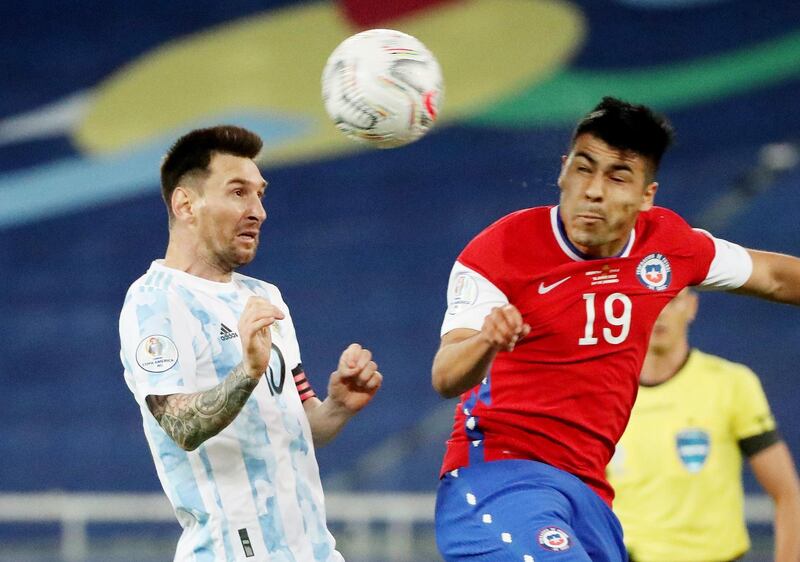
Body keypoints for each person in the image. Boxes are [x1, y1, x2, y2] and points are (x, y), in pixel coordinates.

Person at [431, 96, 800, 562]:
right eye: (584, 169)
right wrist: (486, 339)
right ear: (563, 171)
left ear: (647, 195)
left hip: (587, 491)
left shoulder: (668, 245)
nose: (593, 190)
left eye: (617, 176)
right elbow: (446, 375)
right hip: (499, 478)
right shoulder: (499, 250)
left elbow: (773, 276)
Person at [118, 125, 383, 562]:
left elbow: (299, 426)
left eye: (260, 194)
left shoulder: (266, 297)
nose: (258, 211)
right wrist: (247, 373)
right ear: (186, 204)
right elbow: (180, 426)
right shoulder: (155, 301)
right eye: (238, 192)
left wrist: (337, 406)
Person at [608, 288, 800, 562]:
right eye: (648, 300)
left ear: (692, 306)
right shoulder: (604, 392)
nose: (660, 312)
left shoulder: (731, 384)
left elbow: (787, 494)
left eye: (671, 300)